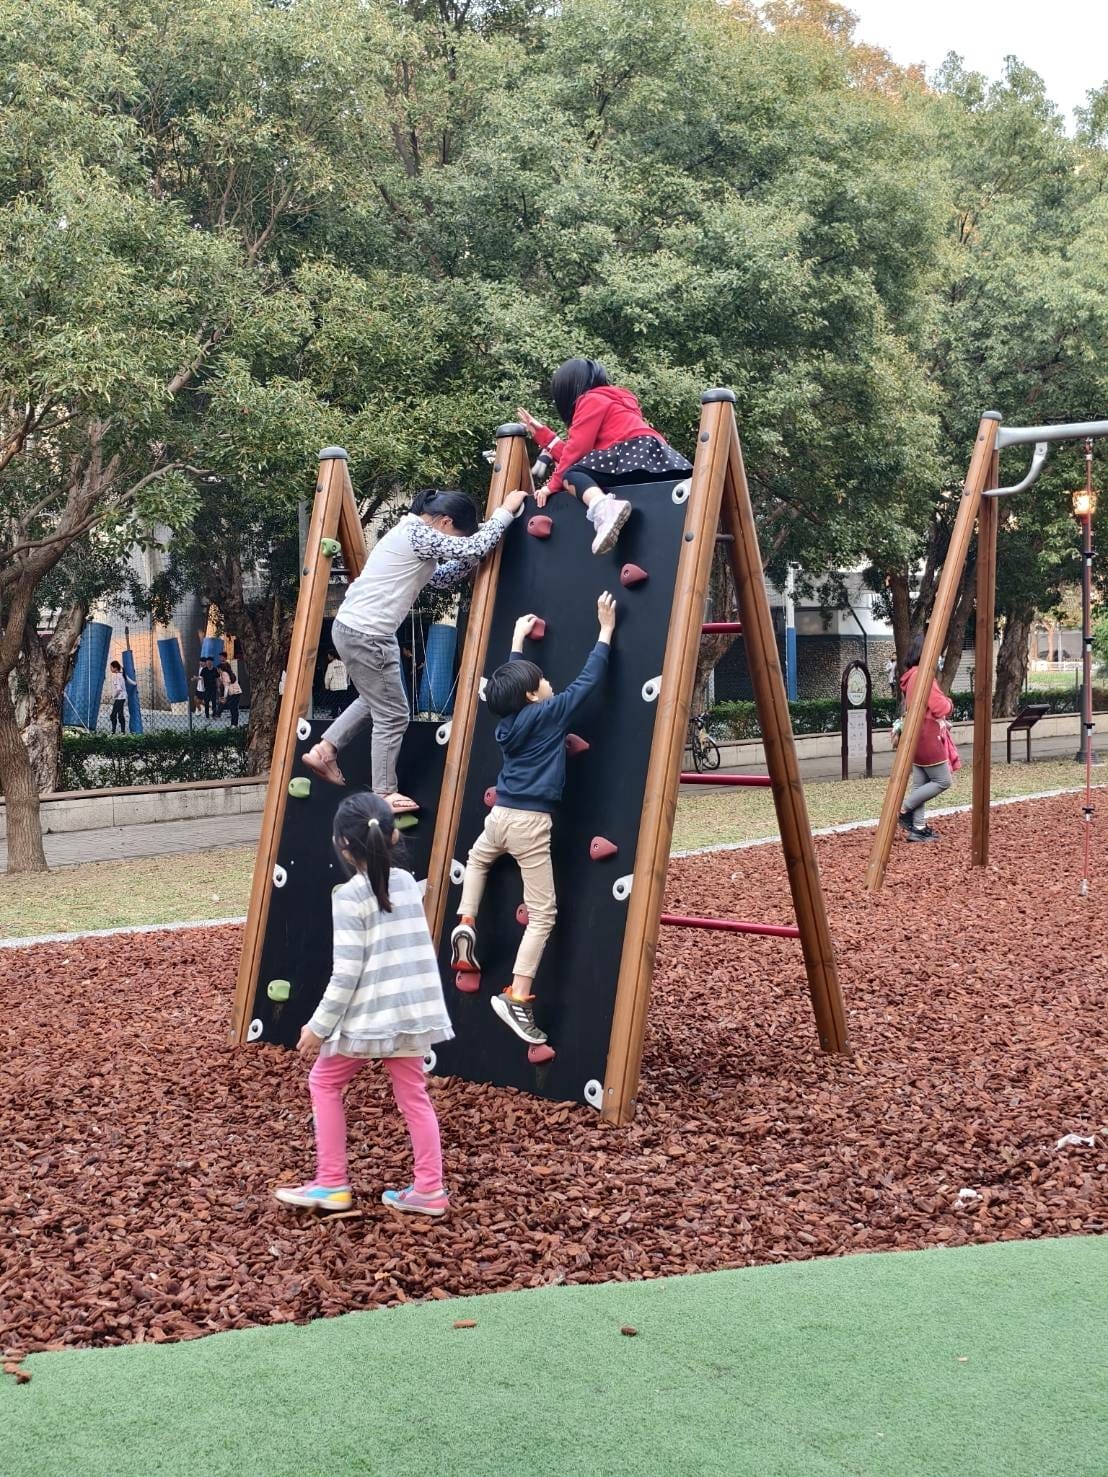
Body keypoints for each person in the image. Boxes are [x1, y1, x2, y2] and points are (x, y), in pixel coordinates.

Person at [274, 792, 455, 1217]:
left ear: (342, 845)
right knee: (414, 1097)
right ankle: (430, 1189)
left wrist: (318, 1027)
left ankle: (332, 1183)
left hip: (372, 1018)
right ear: (393, 836)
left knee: (323, 1082)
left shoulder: (350, 897)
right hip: (412, 1014)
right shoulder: (406, 883)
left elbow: (346, 974)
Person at [450, 592, 617, 1046]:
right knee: (543, 915)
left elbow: (506, 688)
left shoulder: (507, 722)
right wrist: (605, 630)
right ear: (532, 695)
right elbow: (586, 681)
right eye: (542, 681)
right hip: (529, 824)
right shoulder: (549, 714)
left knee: (478, 859)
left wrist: (516, 641)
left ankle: (466, 920)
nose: (548, 682)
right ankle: (517, 995)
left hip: (499, 816)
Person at [302, 487, 527, 811]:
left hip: (351, 629)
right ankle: (384, 792)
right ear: (445, 522)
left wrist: (476, 558)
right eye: (455, 535)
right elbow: (473, 546)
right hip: (370, 635)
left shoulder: (409, 536)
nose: (452, 543)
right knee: (393, 714)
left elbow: (441, 578)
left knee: (374, 700)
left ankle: (325, 749)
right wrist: (504, 513)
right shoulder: (418, 533)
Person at [516, 357, 691, 556]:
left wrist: (551, 486)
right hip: (655, 461)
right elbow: (578, 458)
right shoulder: (615, 399)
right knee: (576, 471)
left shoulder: (590, 400)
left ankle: (603, 508)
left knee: (570, 476)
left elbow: (576, 452)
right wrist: (544, 436)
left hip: (629, 457)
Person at [898, 631, 954, 842]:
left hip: (914, 733)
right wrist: (950, 703)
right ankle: (905, 808)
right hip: (928, 733)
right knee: (943, 780)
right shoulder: (924, 676)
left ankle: (918, 828)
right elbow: (940, 707)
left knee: (920, 784)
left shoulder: (910, 676)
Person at [107, 660, 136, 734]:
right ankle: (121, 732)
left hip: (119, 697)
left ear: (115, 668)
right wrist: (135, 684)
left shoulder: (117, 676)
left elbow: (119, 689)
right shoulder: (122, 674)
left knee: (113, 715)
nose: (110, 669)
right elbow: (130, 681)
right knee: (119, 714)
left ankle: (114, 732)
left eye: (111, 667)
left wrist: (114, 696)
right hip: (122, 697)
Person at [322, 650, 350, 719]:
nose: (328, 657)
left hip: (334, 687)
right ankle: (345, 716)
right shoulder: (343, 663)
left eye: (329, 655)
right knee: (343, 702)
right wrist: (347, 683)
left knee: (334, 702)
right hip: (343, 686)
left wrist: (326, 686)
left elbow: (328, 677)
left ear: (332, 656)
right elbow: (347, 674)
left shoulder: (331, 665)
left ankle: (334, 715)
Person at [218, 661, 242, 727]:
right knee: (234, 709)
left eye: (218, 669)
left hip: (233, 692)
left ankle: (234, 724)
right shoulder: (230, 673)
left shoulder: (224, 674)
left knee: (233, 709)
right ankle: (234, 724)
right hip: (237, 692)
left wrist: (225, 696)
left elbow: (226, 686)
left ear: (220, 669)